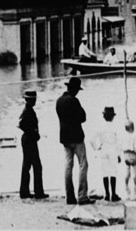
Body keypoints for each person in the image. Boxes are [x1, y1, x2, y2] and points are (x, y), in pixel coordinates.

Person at [56, 76, 93, 205]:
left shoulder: (59, 101)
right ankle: (82, 195)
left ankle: (69, 196)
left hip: (65, 137)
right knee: (83, 164)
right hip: (77, 137)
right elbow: (83, 117)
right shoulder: (74, 101)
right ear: (75, 90)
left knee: (68, 165)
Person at [18, 89, 48, 200]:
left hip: (28, 139)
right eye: (32, 99)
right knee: (36, 165)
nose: (34, 101)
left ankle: (25, 191)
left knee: (27, 165)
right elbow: (22, 125)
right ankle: (38, 192)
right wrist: (34, 133)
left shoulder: (27, 110)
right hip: (29, 139)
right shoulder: (28, 111)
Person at [92, 106, 121, 202]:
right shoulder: (115, 127)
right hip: (112, 150)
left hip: (103, 150)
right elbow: (118, 142)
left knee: (105, 172)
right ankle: (113, 194)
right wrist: (119, 154)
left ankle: (107, 194)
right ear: (113, 117)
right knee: (113, 172)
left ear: (104, 116)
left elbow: (92, 140)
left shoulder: (100, 127)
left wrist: (97, 147)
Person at [122, 120, 136, 200]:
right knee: (134, 174)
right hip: (133, 155)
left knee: (127, 173)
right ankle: (135, 193)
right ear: (133, 128)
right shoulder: (135, 136)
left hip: (126, 155)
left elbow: (122, 147)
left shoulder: (124, 136)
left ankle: (127, 190)